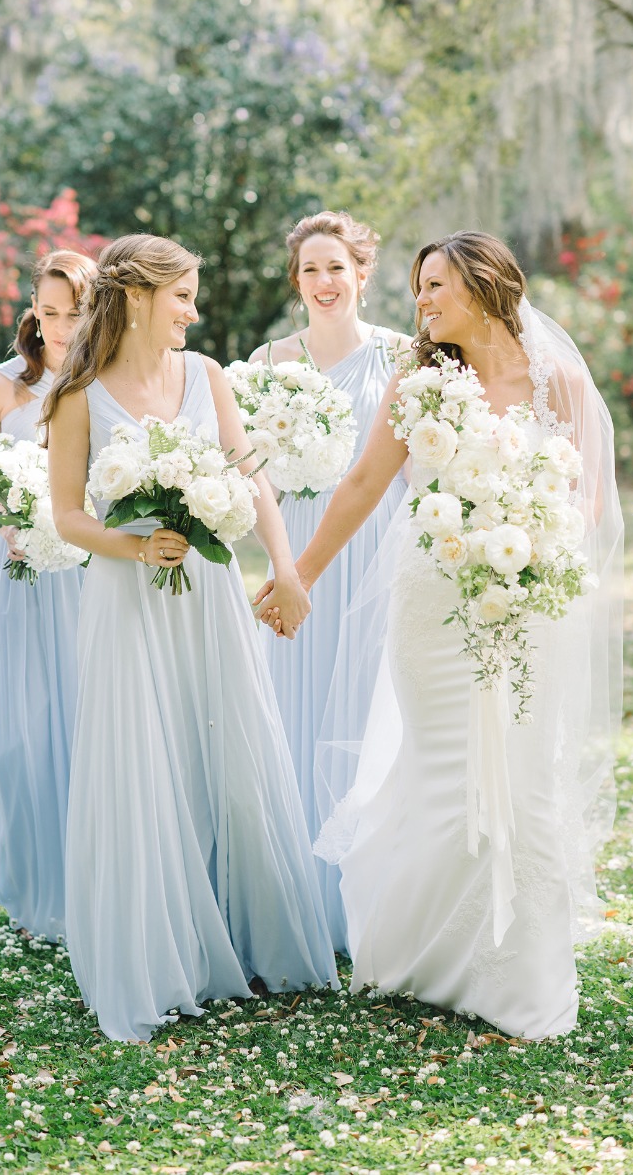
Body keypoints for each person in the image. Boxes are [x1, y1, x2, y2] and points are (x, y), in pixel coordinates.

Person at [256, 231, 623, 1038]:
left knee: (523, 775)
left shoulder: (557, 378)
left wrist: (532, 539)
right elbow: (361, 482)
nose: (421, 301)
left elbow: (588, 502)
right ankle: (423, 953)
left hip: (529, 606)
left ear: (485, 285)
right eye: (420, 286)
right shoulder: (420, 378)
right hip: (433, 606)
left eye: (436, 286)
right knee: (438, 767)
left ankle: (516, 969)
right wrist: (301, 574)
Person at [43, 233, 338, 1042]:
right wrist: (135, 545)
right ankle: (157, 953)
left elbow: (251, 476)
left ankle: (245, 938)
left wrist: (285, 569)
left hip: (206, 593)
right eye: (183, 297)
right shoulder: (79, 394)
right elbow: (67, 513)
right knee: (145, 756)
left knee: (226, 748)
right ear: (138, 296)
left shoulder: (207, 376)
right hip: (125, 597)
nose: (194, 312)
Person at [249, 210, 408, 952]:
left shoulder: (404, 357)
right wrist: (285, 565)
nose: (323, 282)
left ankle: (368, 904)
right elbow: (252, 478)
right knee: (295, 712)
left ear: (363, 274)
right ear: (296, 280)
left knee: (368, 715)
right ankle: (298, 902)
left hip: (376, 555)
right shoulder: (270, 360)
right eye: (310, 269)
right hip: (298, 559)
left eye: (336, 267)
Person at [0, 249, 97, 940]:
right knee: (24, 726)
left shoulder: (105, 381)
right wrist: (9, 521)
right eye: (47, 312)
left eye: (73, 314)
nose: (57, 326)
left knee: (86, 719)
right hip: (19, 572)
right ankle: (34, 886)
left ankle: (90, 881)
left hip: (88, 575)